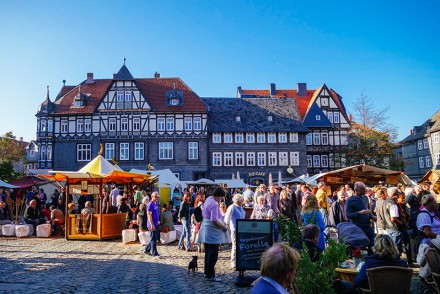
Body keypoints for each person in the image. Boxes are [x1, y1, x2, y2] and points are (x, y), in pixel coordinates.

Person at [197, 187, 229, 282]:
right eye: (221, 197)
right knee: (213, 254)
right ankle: (210, 275)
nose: (221, 200)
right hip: (212, 231)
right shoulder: (214, 204)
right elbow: (214, 220)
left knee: (208, 253)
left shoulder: (208, 199)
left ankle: (206, 273)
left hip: (206, 228)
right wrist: (223, 228)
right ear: (219, 196)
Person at [346, 182, 375, 255]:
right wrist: (359, 213)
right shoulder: (350, 200)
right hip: (358, 228)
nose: (364, 190)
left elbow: (368, 210)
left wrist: (372, 217)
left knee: (372, 245)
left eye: (364, 188)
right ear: (356, 190)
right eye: (362, 189)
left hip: (368, 226)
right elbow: (348, 215)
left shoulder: (365, 197)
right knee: (360, 248)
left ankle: (372, 262)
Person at [224, 193, 246, 268]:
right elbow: (227, 217)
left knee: (240, 244)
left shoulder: (241, 207)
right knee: (235, 244)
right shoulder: (232, 207)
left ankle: (239, 259)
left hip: (241, 228)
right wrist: (227, 224)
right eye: (241, 200)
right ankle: (233, 261)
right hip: (234, 228)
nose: (242, 201)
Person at [382, 187, 403, 254]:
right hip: (394, 228)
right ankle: (396, 262)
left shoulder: (385, 201)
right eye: (397, 194)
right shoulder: (392, 203)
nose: (398, 195)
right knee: (396, 247)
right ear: (394, 194)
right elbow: (393, 218)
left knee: (391, 246)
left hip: (388, 227)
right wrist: (401, 223)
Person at [144, 192, 160, 257]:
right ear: (152, 196)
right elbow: (149, 215)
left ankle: (147, 249)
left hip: (155, 223)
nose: (157, 198)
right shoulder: (150, 204)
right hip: (152, 224)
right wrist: (152, 224)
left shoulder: (155, 204)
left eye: (158, 197)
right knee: (153, 239)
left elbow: (155, 213)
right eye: (156, 197)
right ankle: (154, 253)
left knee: (154, 238)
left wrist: (157, 220)